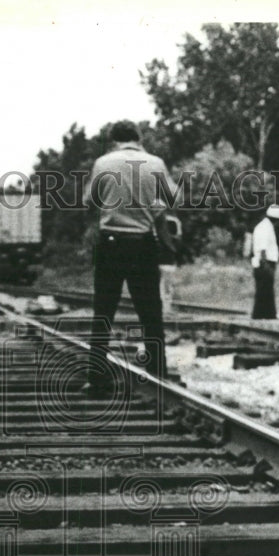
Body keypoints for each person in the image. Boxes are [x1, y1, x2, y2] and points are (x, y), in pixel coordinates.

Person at [83, 120, 176, 390]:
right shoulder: (155, 163)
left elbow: (89, 201)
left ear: (114, 139)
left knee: (103, 311)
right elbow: (173, 198)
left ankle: (97, 378)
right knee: (151, 312)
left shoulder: (103, 163)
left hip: (111, 243)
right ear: (139, 138)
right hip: (143, 244)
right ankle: (158, 374)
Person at [250, 205, 279, 319]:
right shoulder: (265, 228)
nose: (278, 224)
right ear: (276, 219)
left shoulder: (266, 227)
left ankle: (267, 315)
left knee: (266, 291)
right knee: (264, 291)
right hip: (264, 263)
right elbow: (262, 248)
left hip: (265, 263)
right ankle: (262, 316)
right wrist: (266, 266)